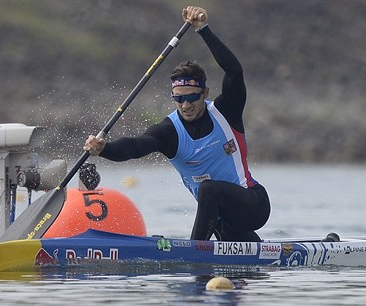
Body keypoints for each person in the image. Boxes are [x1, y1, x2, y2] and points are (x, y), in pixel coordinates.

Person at [83, 6, 270, 242]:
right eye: (179, 98)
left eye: (192, 97)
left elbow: (234, 71)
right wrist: (104, 149)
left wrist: (203, 30)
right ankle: (325, 245)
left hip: (253, 204)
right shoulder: (169, 132)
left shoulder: (226, 111)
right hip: (221, 217)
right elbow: (136, 146)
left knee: (208, 189)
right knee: (242, 264)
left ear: (205, 93)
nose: (186, 105)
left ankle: (196, 249)